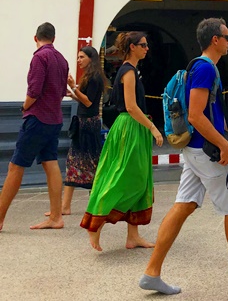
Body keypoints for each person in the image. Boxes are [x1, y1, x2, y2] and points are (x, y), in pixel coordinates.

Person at [139, 18, 228, 297]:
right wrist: (225, 146)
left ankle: (152, 273)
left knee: (183, 206)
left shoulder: (200, 66)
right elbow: (195, 115)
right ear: (215, 40)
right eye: (227, 37)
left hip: (194, 151)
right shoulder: (206, 69)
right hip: (208, 153)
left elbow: (212, 113)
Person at [80, 32, 163, 251]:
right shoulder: (128, 71)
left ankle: (133, 236)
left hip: (133, 127)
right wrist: (153, 128)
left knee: (141, 180)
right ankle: (95, 223)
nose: (147, 48)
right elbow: (131, 106)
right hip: (130, 127)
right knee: (123, 178)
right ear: (132, 47)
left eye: (147, 44)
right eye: (143, 45)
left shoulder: (132, 70)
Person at [0, 22, 69, 231]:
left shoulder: (39, 57)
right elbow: (62, 91)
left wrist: (24, 107)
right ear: (54, 39)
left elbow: (34, 90)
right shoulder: (62, 59)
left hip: (37, 118)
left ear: (35, 38)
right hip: (55, 118)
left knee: (15, 166)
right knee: (51, 163)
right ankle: (56, 217)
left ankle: (0, 218)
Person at [45, 46, 109, 216]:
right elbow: (85, 100)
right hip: (83, 123)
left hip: (89, 125)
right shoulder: (89, 77)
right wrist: (73, 94)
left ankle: (94, 202)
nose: (79, 60)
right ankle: (66, 206)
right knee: (75, 163)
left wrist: (74, 88)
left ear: (91, 58)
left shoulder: (95, 78)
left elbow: (88, 102)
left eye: (82, 57)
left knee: (90, 163)